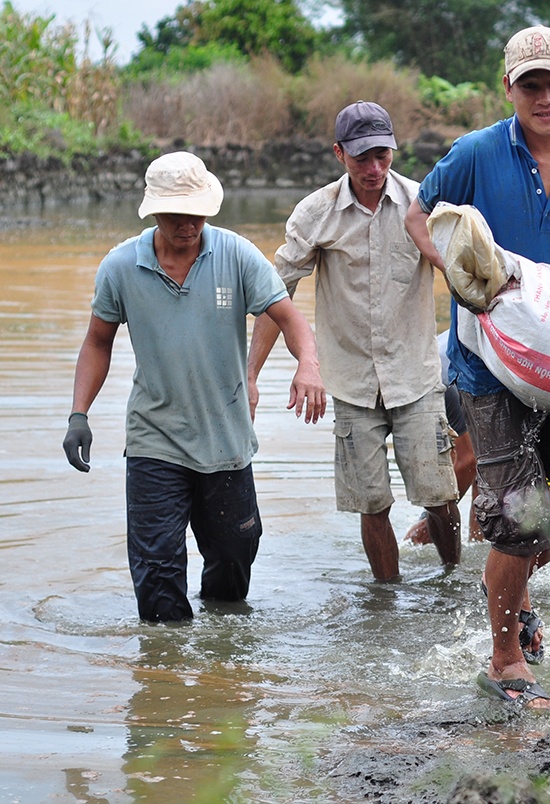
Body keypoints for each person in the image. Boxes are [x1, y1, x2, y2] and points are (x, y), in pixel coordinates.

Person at [404, 25, 550, 708]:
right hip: (490, 359)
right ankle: (505, 655)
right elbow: (419, 217)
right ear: (508, 88)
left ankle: (508, 581)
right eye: (529, 84)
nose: (545, 96)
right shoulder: (475, 154)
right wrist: (454, 268)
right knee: (514, 510)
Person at [62, 151, 326, 623]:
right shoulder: (121, 266)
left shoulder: (235, 254)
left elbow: (289, 317)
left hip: (224, 438)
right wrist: (78, 414)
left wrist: (308, 363)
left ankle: (218, 674)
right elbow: (97, 342)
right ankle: (164, 677)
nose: (189, 222)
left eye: (197, 211)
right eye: (177, 213)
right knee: (157, 578)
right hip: (154, 439)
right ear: (153, 210)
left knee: (232, 565)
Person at [247, 101, 461, 581]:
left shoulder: (420, 206)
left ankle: (452, 582)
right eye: (362, 157)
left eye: (383, 155)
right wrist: (251, 375)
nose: (374, 169)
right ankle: (385, 599)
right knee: (372, 502)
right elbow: (274, 294)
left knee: (440, 495)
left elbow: (464, 277)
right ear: (339, 154)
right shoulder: (316, 214)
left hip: (417, 376)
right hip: (350, 383)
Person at [404, 331, 480, 545]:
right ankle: (478, 545)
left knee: (483, 467)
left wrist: (428, 521)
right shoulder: (419, 372)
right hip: (465, 367)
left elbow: (468, 461)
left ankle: (479, 545)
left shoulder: (436, 382)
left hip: (472, 375)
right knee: (480, 468)